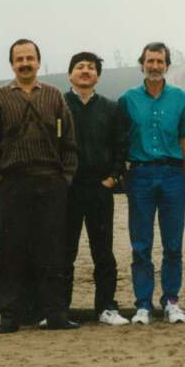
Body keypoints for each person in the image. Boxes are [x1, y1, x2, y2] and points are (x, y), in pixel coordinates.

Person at [0, 38, 79, 333]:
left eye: (29, 58)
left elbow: (69, 144)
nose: (24, 63)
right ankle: (9, 316)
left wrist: (65, 179)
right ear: (12, 64)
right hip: (13, 183)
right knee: (10, 250)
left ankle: (56, 314)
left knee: (52, 249)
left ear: (38, 61)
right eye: (19, 59)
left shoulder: (54, 96)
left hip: (51, 181)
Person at [118, 41, 185, 325]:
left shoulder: (180, 99)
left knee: (173, 243)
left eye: (160, 61)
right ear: (142, 64)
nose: (155, 66)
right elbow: (121, 140)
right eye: (150, 61)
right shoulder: (128, 99)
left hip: (173, 175)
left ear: (167, 65)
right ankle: (143, 304)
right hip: (139, 175)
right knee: (141, 244)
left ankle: (171, 301)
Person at [63, 51, 129, 326]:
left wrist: (113, 177)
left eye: (91, 67)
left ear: (98, 76)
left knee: (102, 251)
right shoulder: (59, 104)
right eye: (80, 67)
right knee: (64, 251)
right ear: (70, 74)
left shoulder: (111, 108)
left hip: (100, 188)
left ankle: (106, 307)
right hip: (68, 189)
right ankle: (58, 309)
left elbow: (120, 146)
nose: (86, 71)